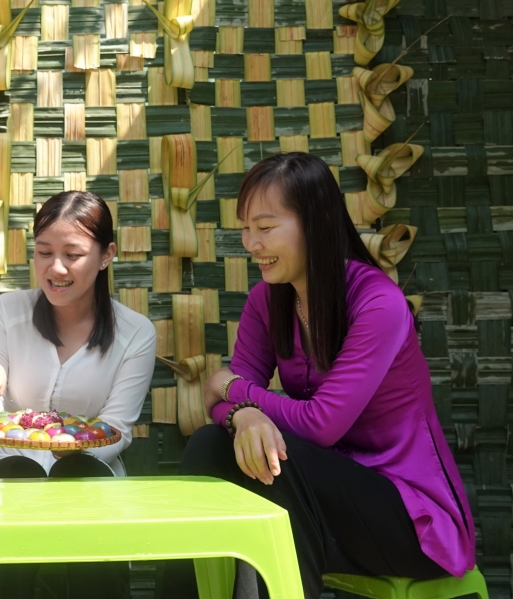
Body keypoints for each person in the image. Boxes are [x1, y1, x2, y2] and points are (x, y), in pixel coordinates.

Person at [162, 152, 475, 599]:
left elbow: (320, 424)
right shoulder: (267, 300)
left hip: (412, 522)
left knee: (278, 461)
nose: (251, 243)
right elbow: (223, 405)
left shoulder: (378, 304)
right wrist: (242, 415)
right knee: (210, 444)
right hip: (324, 508)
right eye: (246, 228)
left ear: (318, 221)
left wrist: (232, 387)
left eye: (265, 228)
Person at [0, 190, 158, 598]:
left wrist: (67, 453)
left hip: (91, 481)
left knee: (81, 474)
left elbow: (117, 428)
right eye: (44, 252)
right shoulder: (7, 312)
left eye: (73, 254)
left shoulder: (136, 333)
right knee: (18, 472)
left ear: (106, 255)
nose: (56, 268)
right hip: (9, 479)